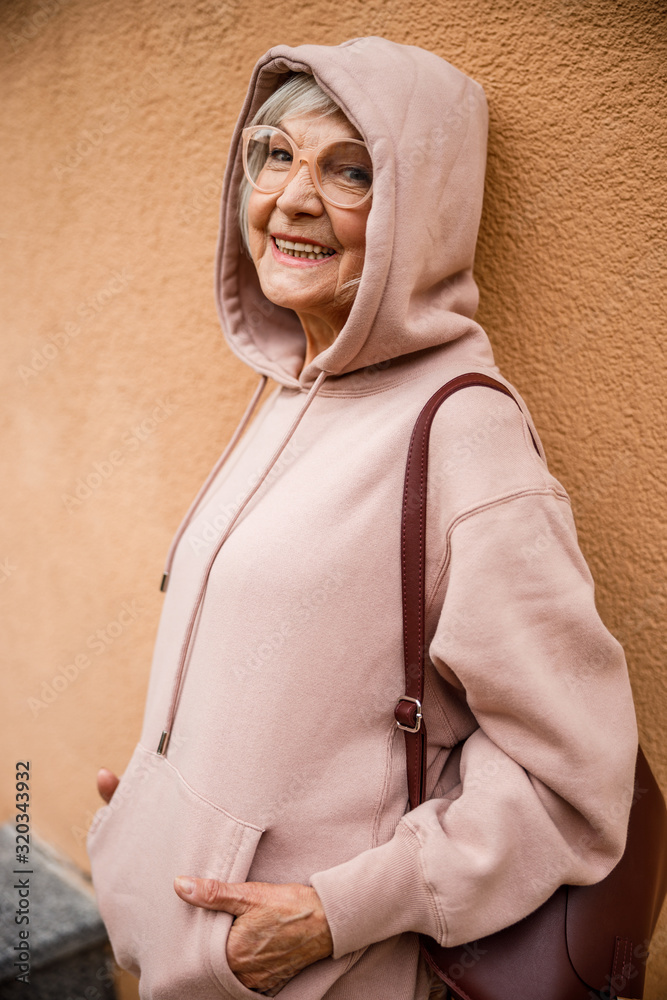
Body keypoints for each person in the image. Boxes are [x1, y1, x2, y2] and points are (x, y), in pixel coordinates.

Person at [88, 37, 638, 1000]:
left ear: (420, 214)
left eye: (351, 171)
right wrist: (157, 800)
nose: (294, 198)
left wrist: (338, 913)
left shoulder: (464, 433)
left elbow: (574, 784)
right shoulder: (292, 389)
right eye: (275, 154)